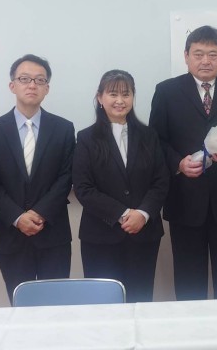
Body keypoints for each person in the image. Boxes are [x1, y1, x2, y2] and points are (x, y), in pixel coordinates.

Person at [149, 25, 217, 300]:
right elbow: (156, 141)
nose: (205, 61)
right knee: (189, 283)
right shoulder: (167, 91)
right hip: (185, 201)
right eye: (198, 54)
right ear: (186, 56)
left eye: (212, 54)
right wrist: (178, 163)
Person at [0, 54, 75, 303]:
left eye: (39, 80)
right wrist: (17, 217)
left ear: (47, 88)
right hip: (9, 233)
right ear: (12, 85)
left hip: (53, 232)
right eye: (24, 79)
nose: (32, 85)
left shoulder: (64, 129)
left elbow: (66, 176)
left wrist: (40, 213)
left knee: (55, 304)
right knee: (20, 305)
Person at [73, 70, 169, 303]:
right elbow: (84, 188)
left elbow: (161, 181)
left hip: (143, 234)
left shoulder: (149, 135)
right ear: (100, 98)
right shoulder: (86, 138)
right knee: (104, 304)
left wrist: (143, 214)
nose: (120, 100)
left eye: (126, 94)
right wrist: (124, 214)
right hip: (100, 236)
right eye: (113, 94)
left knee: (140, 301)